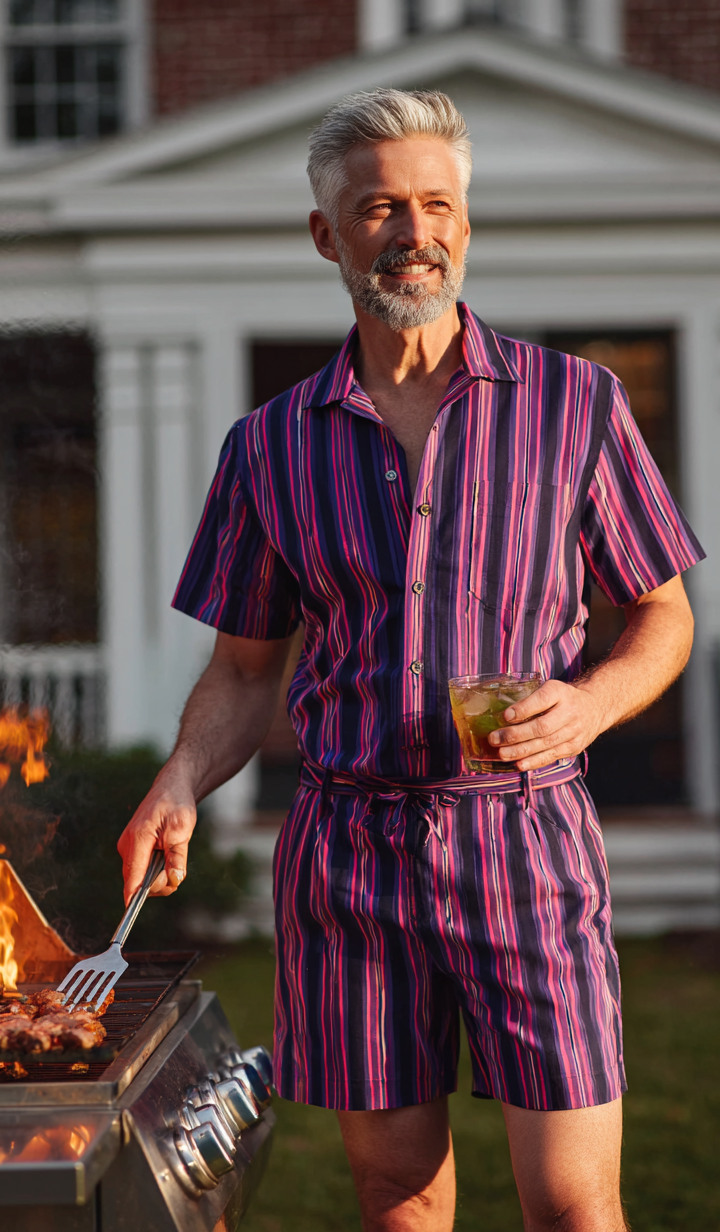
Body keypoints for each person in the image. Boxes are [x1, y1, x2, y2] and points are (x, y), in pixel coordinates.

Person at [118, 89, 704, 1231]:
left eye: (437, 202)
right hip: (347, 860)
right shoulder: (270, 446)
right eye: (380, 205)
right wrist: (180, 778)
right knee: (397, 1199)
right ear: (327, 234)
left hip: (528, 843)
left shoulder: (577, 405)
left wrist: (587, 707)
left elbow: (663, 617)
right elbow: (245, 671)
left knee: (577, 1205)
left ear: (468, 225)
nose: (414, 228)